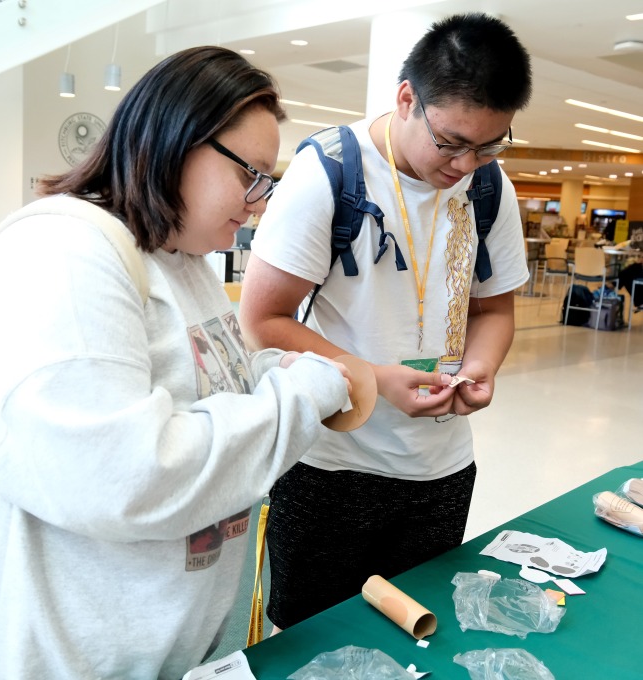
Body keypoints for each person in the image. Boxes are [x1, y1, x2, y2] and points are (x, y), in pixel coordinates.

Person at [0, 46, 351, 679]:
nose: (258, 202)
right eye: (252, 176)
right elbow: (128, 475)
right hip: (65, 651)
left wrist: (272, 373)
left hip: (164, 645)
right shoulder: (66, 254)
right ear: (177, 140)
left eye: (269, 183)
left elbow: (201, 386)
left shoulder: (183, 258)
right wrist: (298, 399)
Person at [239, 13, 533, 630]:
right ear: (407, 100)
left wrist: (479, 367)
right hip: (332, 464)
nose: (466, 165)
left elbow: (494, 308)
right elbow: (263, 319)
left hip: (440, 468)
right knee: (312, 639)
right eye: (451, 142)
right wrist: (372, 379)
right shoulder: (328, 172)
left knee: (419, 633)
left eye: (490, 144)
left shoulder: (487, 186)